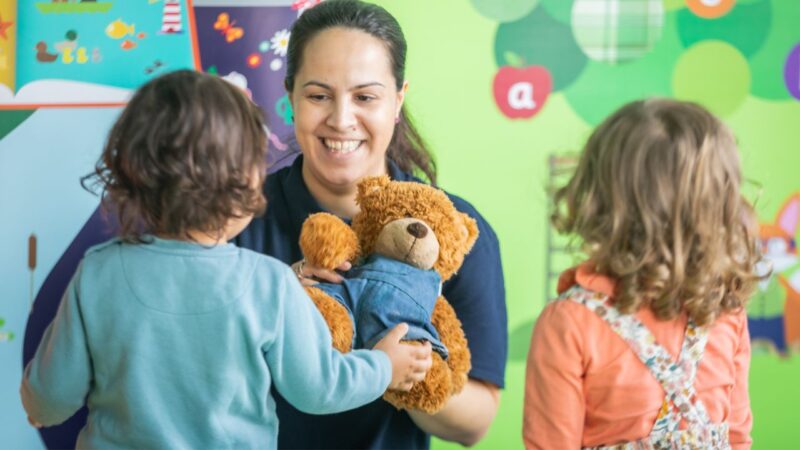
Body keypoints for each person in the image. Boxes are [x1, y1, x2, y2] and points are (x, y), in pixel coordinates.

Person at [20, 69, 432, 449]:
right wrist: (382, 366)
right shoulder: (270, 283)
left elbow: (49, 401)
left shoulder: (98, 272)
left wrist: (34, 399)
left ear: (133, 175)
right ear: (247, 182)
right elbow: (318, 387)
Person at [236, 0, 507, 448]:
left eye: (365, 97)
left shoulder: (450, 231)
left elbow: (474, 422)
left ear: (397, 101)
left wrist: (394, 362)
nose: (341, 120)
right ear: (291, 98)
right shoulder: (238, 218)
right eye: (318, 95)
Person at [523, 99, 759, 449]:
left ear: (597, 200)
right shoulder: (724, 309)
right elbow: (738, 439)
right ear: (718, 207)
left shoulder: (570, 322)